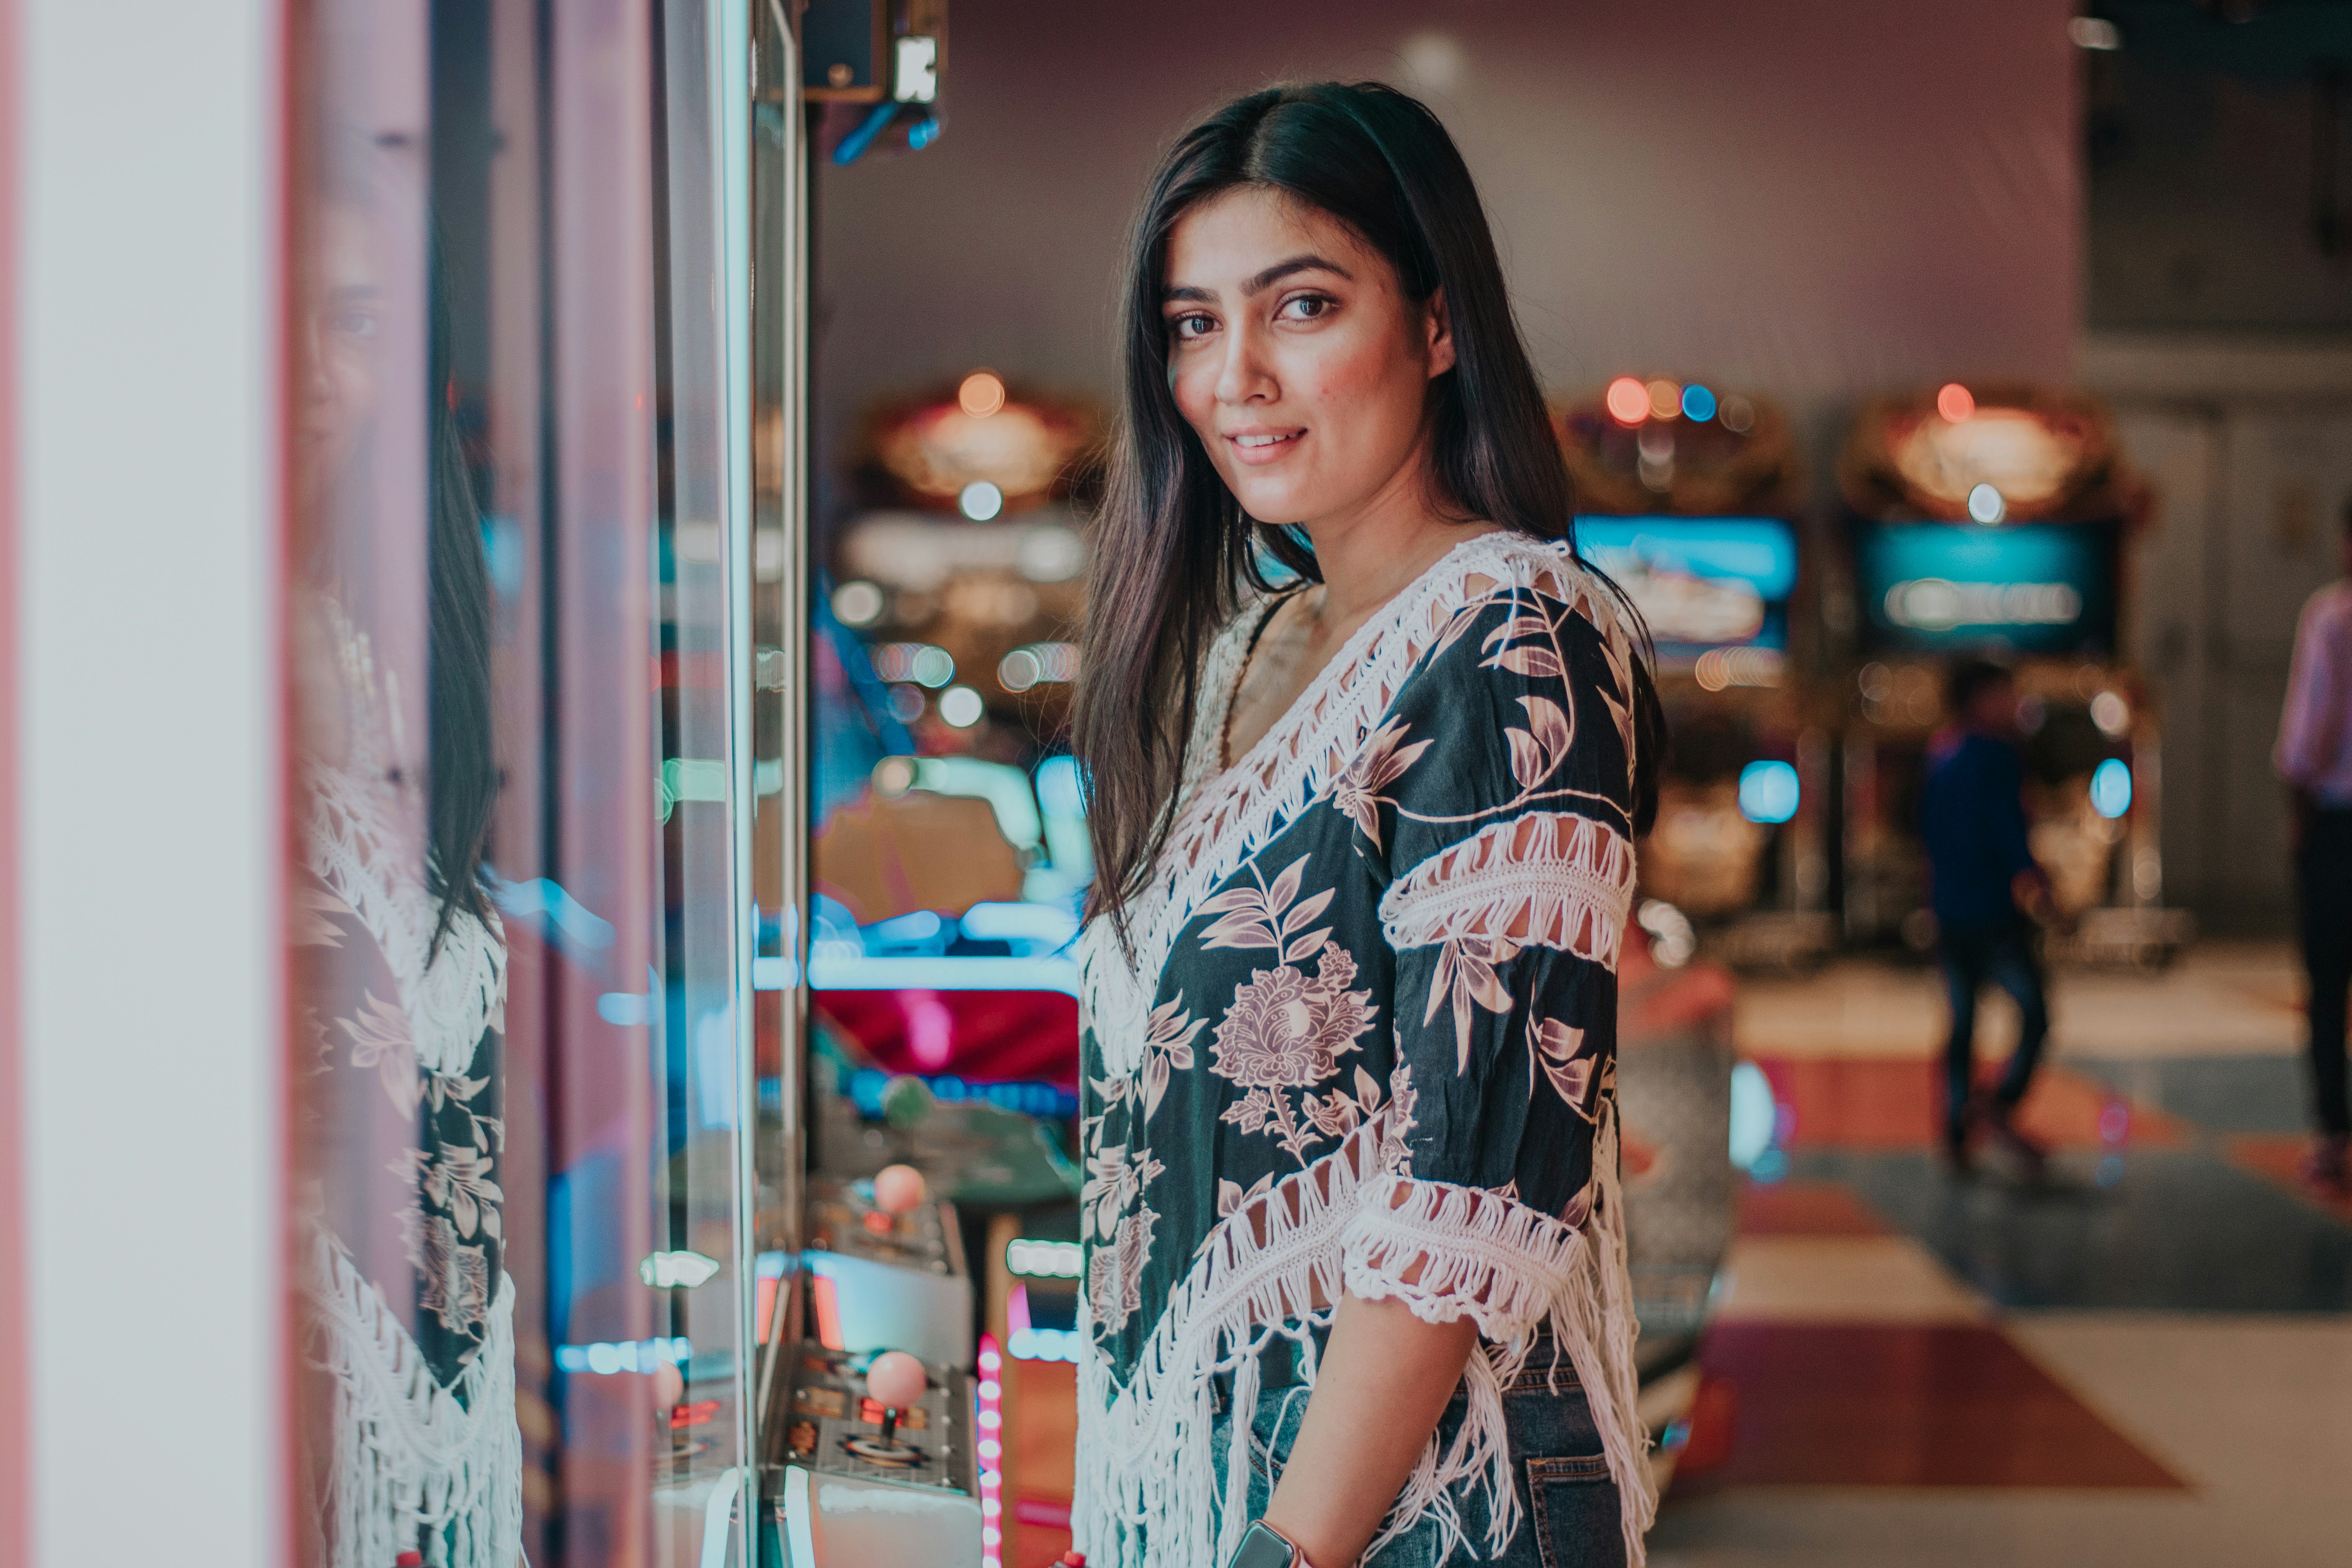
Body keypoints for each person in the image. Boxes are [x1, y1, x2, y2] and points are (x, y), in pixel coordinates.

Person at [1068, 83, 1665, 1568]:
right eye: (1192, 323)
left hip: (1398, 1506)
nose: (1236, 378)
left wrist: (1288, 1550)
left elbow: (1466, 1193)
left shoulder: (1513, 635)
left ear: (1436, 325)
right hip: (1233, 1478)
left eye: (1303, 306)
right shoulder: (1247, 651)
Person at [1917, 658, 2062, 1177]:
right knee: (2035, 1012)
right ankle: (1996, 1105)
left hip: (1950, 910)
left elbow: (1929, 831)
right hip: (1993, 915)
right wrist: (2042, 891)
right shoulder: (1999, 758)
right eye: (2005, 693)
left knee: (1962, 1024)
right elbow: (2008, 835)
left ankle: (1956, 1125)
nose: (2015, 704)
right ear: (1980, 699)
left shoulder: (1941, 753)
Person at [2275, 503, 2352, 1193]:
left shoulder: (2332, 617)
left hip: (2337, 821)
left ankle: (2332, 1133)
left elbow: (2310, 730)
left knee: (2327, 987)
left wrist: (2295, 809)